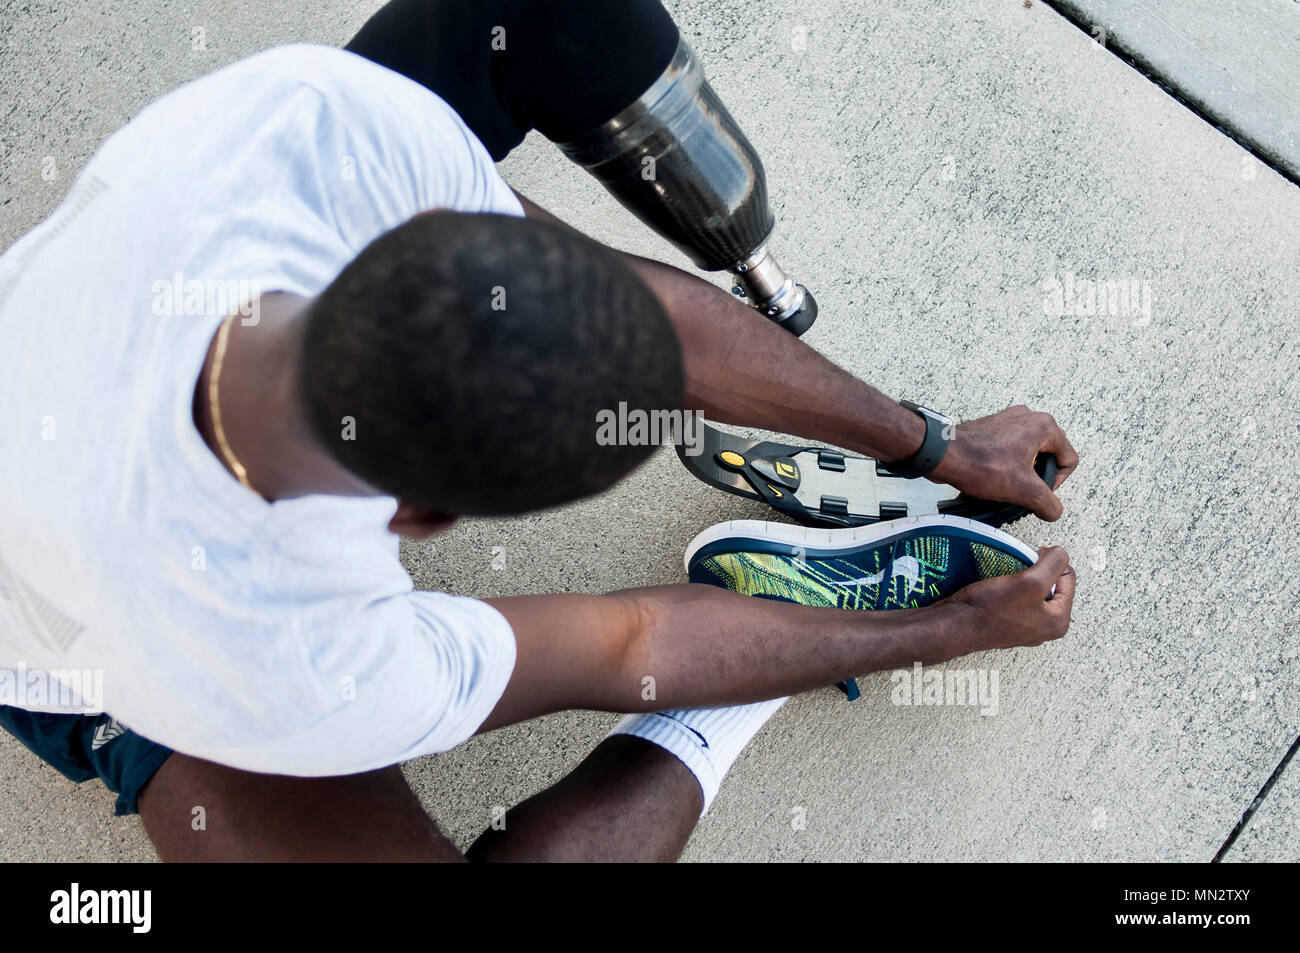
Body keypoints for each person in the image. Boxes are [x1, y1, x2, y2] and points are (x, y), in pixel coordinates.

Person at [0, 20, 1078, 861]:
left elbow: (646, 330)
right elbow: (625, 647)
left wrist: (929, 442)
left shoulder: (314, 129)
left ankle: (787, 616)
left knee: (532, 15)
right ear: (425, 522)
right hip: (79, 655)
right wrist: (936, 631)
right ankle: (744, 687)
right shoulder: (297, 671)